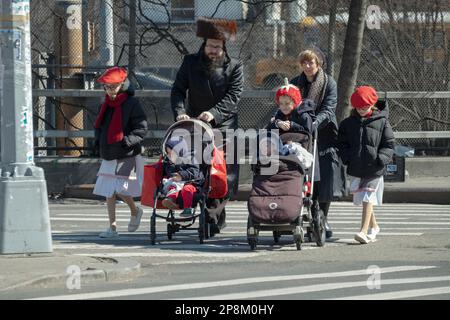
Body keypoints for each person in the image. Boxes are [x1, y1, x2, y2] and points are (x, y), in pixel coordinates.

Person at [171, 17, 244, 236]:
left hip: (224, 125)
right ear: (204, 44)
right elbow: (177, 90)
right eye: (210, 46)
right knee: (199, 170)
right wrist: (180, 113)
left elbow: (234, 97)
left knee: (222, 175)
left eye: (218, 47)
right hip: (196, 125)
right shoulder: (190, 62)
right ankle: (205, 213)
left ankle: (213, 217)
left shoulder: (235, 67)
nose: (213, 51)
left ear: (224, 48)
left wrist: (213, 114)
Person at [290, 49, 346, 239]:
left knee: (324, 178)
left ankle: (322, 216)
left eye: (311, 62)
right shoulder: (295, 83)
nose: (307, 66)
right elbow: (289, 105)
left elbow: (329, 108)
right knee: (305, 175)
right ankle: (305, 214)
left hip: (324, 133)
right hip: (301, 134)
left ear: (318, 64)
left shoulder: (329, 83)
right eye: (304, 63)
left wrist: (314, 123)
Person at [93, 66, 148, 238]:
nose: (110, 91)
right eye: (107, 87)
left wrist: (126, 141)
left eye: (113, 86)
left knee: (121, 188)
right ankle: (113, 228)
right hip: (109, 151)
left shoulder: (132, 103)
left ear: (122, 84)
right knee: (109, 190)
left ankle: (135, 210)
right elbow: (100, 127)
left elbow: (141, 128)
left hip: (127, 152)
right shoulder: (106, 104)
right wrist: (97, 143)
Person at [338, 86, 395, 244]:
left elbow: (389, 144)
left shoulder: (382, 122)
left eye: (365, 107)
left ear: (373, 105)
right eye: (358, 107)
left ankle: (363, 231)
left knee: (367, 196)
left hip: (375, 167)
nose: (362, 110)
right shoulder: (347, 124)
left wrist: (381, 158)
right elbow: (342, 144)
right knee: (364, 197)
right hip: (356, 166)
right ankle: (374, 226)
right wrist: (347, 158)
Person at [161, 136, 205, 217]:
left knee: (187, 189)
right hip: (177, 183)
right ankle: (170, 201)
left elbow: (194, 171)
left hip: (191, 182)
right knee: (172, 188)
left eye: (171, 153)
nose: (169, 155)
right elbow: (168, 172)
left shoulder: (190, 158)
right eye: (168, 153)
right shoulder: (169, 161)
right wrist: (170, 167)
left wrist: (181, 175)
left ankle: (187, 208)